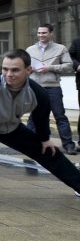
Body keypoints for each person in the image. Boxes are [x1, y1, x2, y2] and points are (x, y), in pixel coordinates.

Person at [0, 49, 80, 204]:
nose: (9, 74)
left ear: (28, 70)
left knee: (49, 151)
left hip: (9, 127)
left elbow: (40, 116)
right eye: (5, 69)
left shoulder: (38, 93)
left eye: (15, 70)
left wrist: (44, 139)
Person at [26, 23, 75, 155]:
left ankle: (68, 145)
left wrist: (50, 68)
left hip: (53, 87)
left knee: (60, 116)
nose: (41, 35)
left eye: (44, 33)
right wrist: (30, 69)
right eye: (39, 33)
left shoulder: (61, 48)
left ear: (51, 33)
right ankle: (28, 144)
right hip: (35, 87)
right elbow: (24, 67)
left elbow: (69, 66)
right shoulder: (30, 50)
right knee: (33, 117)